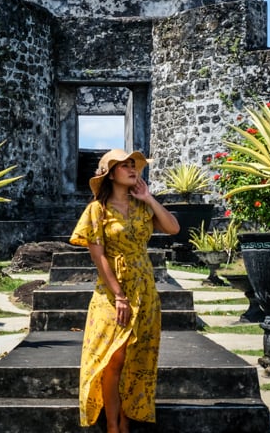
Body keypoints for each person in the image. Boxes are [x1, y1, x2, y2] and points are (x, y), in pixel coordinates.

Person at [69, 149, 180, 433]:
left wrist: (149, 198)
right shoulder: (97, 210)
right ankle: (112, 425)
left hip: (144, 287)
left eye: (135, 165)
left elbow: (173, 228)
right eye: (125, 166)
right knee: (113, 357)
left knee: (135, 356)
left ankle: (125, 421)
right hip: (112, 291)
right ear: (110, 173)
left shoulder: (143, 207)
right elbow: (99, 256)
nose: (133, 169)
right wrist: (119, 295)